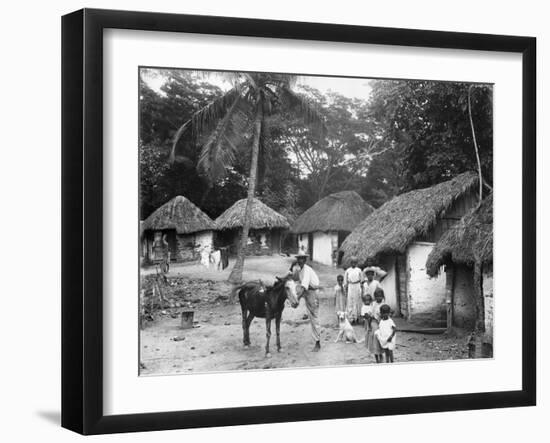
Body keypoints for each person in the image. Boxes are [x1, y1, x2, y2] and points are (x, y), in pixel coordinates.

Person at [290, 251, 322, 352]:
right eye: (298, 259)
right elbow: (293, 278)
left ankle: (318, 342)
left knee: (314, 317)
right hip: (308, 293)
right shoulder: (300, 270)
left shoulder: (307, 270)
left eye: (302, 259)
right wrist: (291, 267)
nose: (300, 261)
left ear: (305, 260)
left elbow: (304, 287)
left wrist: (297, 300)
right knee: (311, 316)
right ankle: (316, 340)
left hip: (312, 293)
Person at [368, 288, 386, 363]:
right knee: (375, 338)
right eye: (377, 296)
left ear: (382, 296)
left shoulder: (384, 304)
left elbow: (387, 315)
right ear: (375, 297)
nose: (378, 298)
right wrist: (369, 325)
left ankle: (381, 354)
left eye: (380, 296)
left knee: (381, 339)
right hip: (374, 322)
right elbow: (370, 315)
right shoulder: (373, 304)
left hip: (381, 323)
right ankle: (376, 356)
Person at [344, 257, 363, 324]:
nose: (353, 264)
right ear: (350, 263)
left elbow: (361, 280)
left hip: (357, 286)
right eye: (352, 262)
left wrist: (361, 287)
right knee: (350, 302)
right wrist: (346, 287)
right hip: (350, 286)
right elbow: (345, 281)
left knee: (357, 302)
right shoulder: (348, 270)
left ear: (357, 263)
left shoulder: (359, 270)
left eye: (355, 262)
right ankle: (351, 318)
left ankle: (357, 318)